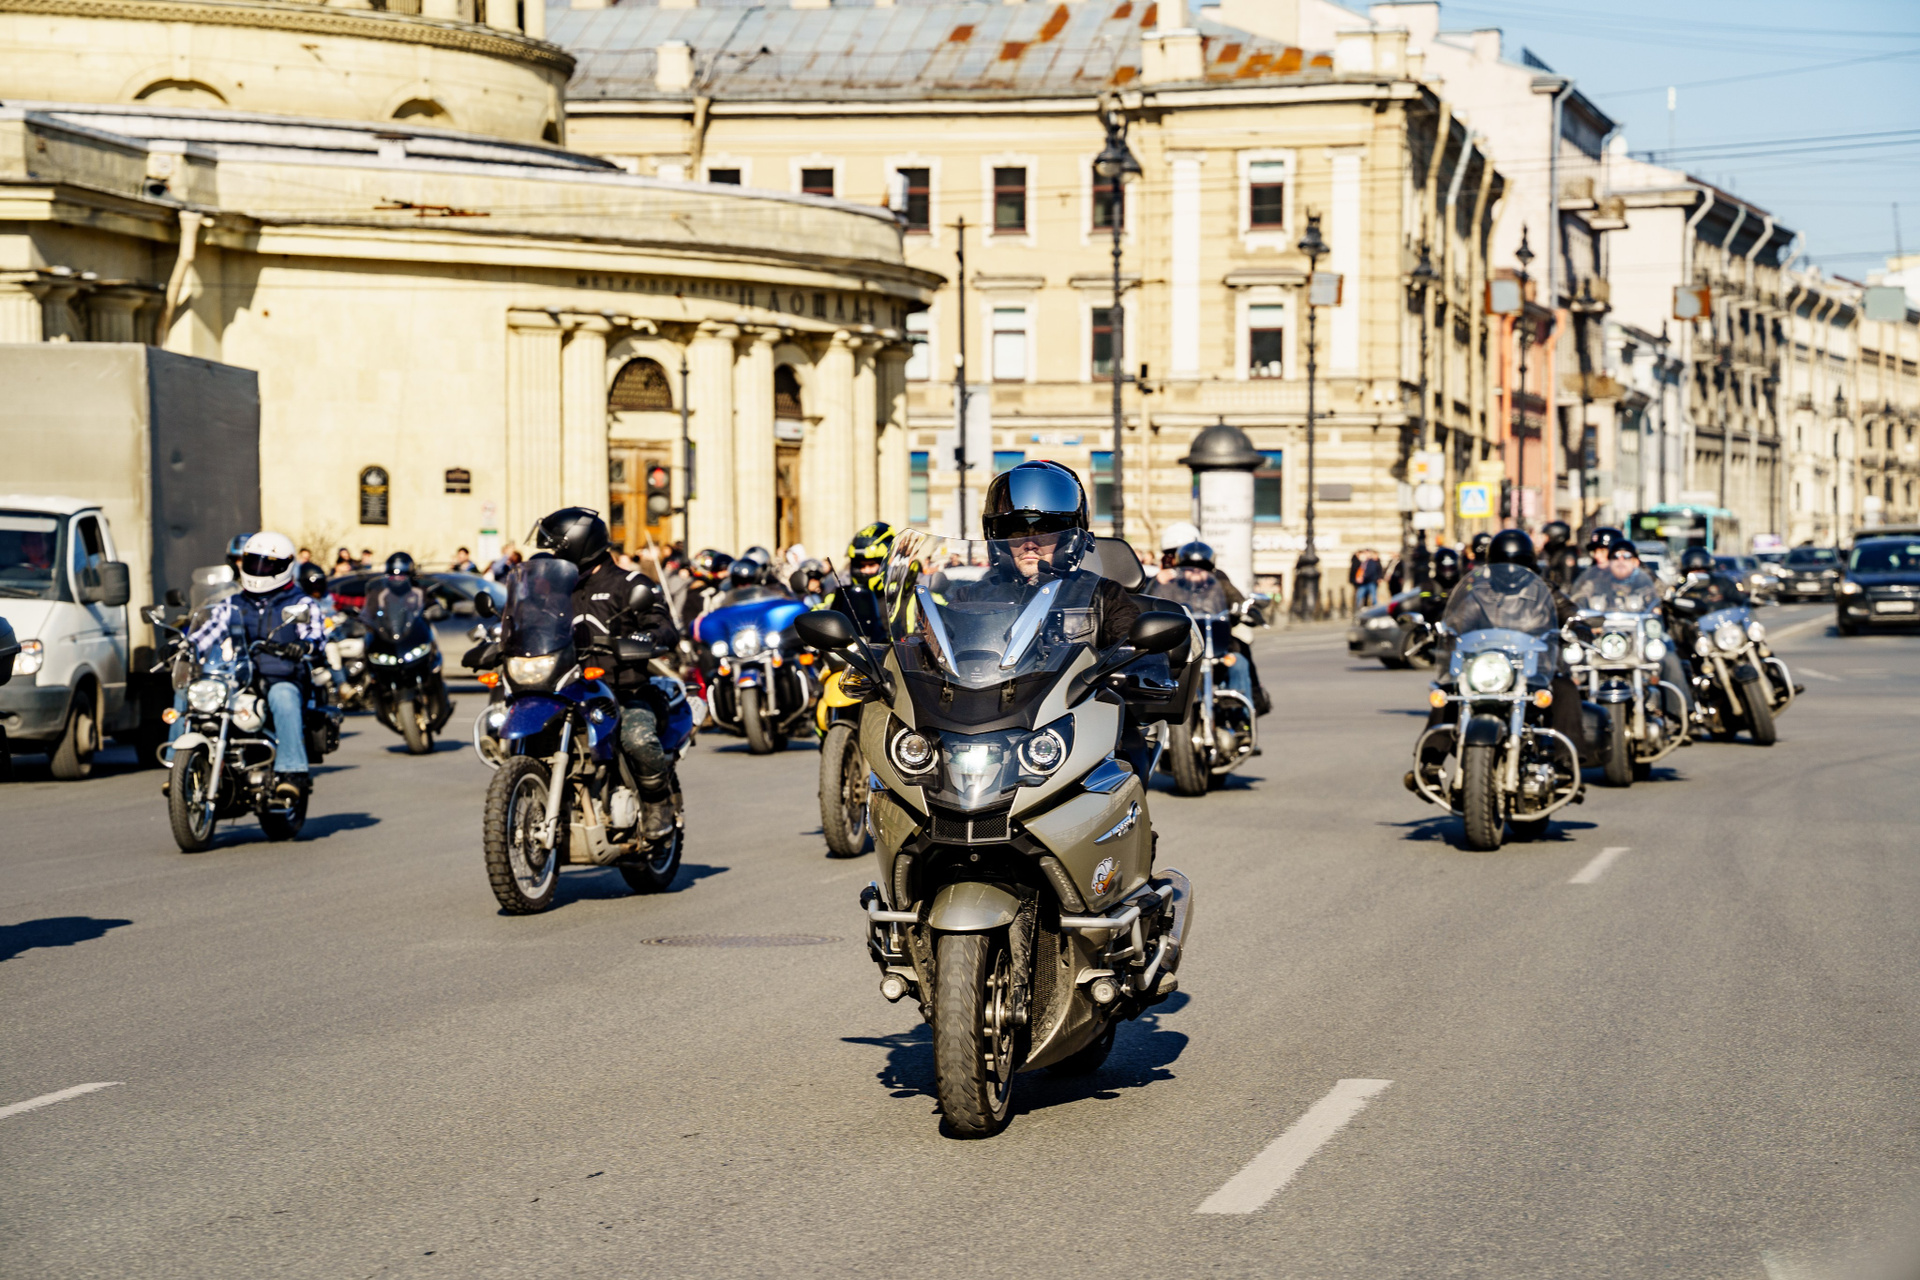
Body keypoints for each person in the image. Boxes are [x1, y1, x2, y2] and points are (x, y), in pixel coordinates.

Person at [535, 507, 681, 841]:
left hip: (622, 691)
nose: (551, 555)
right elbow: (529, 623)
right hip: (565, 690)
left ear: (577, 546)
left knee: (637, 738)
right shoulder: (553, 590)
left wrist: (647, 638)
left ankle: (658, 804)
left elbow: (663, 626)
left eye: (556, 547)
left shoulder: (629, 584)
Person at [169, 532, 324, 802]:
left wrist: (304, 646)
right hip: (238, 674)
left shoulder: (301, 603)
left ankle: (292, 771)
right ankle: (176, 767)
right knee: (188, 693)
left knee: (284, 697)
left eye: (267, 565)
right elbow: (208, 632)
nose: (258, 570)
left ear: (284, 567)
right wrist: (186, 647)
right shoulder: (233, 603)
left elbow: (316, 636)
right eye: (253, 562)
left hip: (281, 674)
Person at [1151, 541, 1255, 704]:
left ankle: (1240, 713)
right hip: (1183, 649)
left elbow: (1239, 602)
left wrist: (1249, 611)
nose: (1195, 572)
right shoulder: (1168, 588)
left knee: (1239, 662)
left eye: (1201, 568)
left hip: (1217, 646)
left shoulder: (1221, 585)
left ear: (1210, 570)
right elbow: (1153, 604)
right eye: (1189, 568)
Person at [1540, 520, 1581, 590]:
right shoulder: (1555, 555)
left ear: (1555, 537)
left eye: (1547, 537)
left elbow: (1567, 584)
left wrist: (1556, 595)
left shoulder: (1567, 556)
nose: (1545, 540)